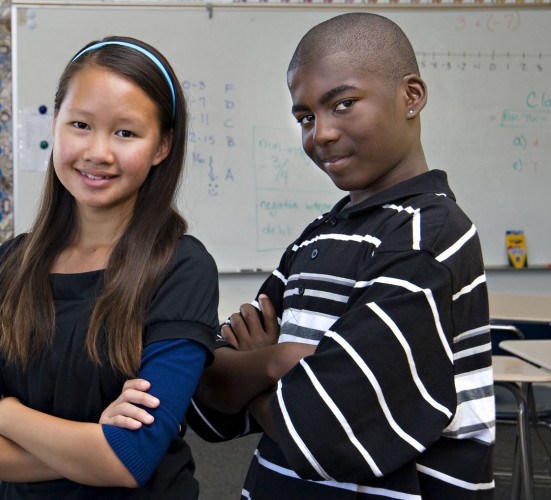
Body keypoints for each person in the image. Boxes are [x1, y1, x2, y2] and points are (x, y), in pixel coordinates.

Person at [185, 12, 495, 498]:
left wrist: (261, 367)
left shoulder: (427, 234)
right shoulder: (317, 238)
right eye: (306, 117)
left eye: (344, 104)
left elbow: (332, 427)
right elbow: (207, 393)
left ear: (411, 97)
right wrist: (286, 362)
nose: (321, 134)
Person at [0, 35, 220, 499]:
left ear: (162, 146)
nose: (98, 152)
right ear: (55, 125)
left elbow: (128, 460)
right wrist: (93, 444)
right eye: (81, 125)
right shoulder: (6, 268)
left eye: (126, 133)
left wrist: (7, 415)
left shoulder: (181, 268)